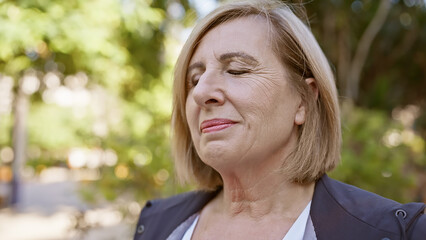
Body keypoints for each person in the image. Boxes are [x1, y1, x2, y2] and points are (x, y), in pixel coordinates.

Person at [134, 0, 426, 239]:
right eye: (194, 79)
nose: (201, 93)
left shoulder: (392, 232)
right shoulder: (157, 225)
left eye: (236, 70)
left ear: (304, 100)